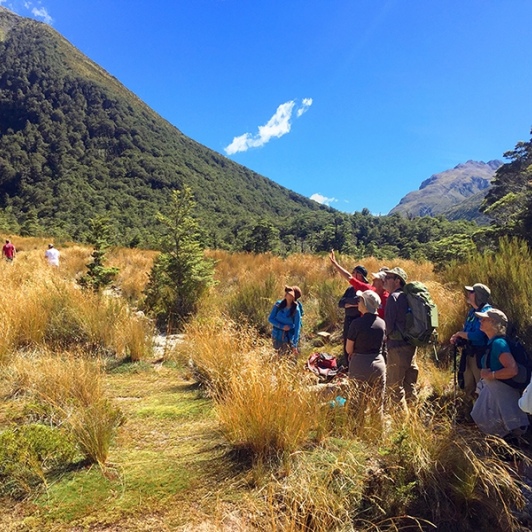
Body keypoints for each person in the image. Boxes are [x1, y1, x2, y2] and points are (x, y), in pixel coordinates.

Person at [470, 309, 529, 438]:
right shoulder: (495, 342)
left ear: (494, 323)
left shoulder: (499, 343)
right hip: (497, 395)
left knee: (501, 432)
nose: (480, 321)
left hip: (500, 395)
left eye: (484, 319)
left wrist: (490, 375)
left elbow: (513, 370)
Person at [450, 283, 492, 411]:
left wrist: (461, 334)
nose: (468, 294)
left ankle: (483, 416)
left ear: (479, 295)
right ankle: (469, 414)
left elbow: (479, 336)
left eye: (471, 292)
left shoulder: (486, 312)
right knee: (468, 385)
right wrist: (459, 337)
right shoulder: (472, 312)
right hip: (468, 353)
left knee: (481, 387)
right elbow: (467, 330)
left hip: (479, 356)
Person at [329, 250, 374, 367]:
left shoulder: (366, 288)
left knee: (356, 346)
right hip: (348, 320)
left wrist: (352, 302)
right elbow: (341, 303)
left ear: (360, 275)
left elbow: (357, 301)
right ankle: (348, 368)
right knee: (346, 345)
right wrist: (352, 302)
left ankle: (355, 369)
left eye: (354, 272)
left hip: (359, 320)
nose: (352, 274)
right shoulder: (350, 289)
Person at [383, 266, 418, 410]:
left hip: (397, 347)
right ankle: (413, 416)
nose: (385, 281)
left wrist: (385, 337)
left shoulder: (393, 298)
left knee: (394, 386)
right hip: (411, 345)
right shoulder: (409, 297)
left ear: (397, 281)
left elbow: (389, 325)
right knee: (409, 384)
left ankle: (401, 424)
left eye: (389, 278)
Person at [345, 290, 386, 409]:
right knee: (377, 406)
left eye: (360, 300)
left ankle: (357, 428)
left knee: (356, 405)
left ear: (365, 304)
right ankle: (378, 427)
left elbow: (349, 349)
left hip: (359, 365)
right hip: (378, 364)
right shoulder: (382, 323)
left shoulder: (356, 323)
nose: (358, 302)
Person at [268, 285, 303, 358]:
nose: (286, 294)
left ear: (293, 297)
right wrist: (281, 326)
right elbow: (270, 318)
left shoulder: (296, 310)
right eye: (287, 293)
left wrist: (294, 345)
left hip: (288, 339)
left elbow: (297, 328)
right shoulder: (278, 305)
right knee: (277, 357)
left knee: (286, 359)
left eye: (289, 294)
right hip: (276, 336)